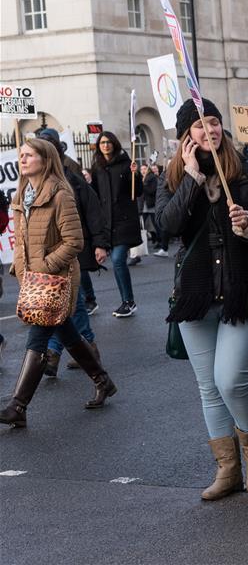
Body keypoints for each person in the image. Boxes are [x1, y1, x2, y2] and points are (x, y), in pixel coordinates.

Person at [156, 98, 248, 500]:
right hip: (195, 293)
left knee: (230, 380)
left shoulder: (246, 171)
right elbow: (166, 227)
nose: (208, 130)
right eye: (199, 125)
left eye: (213, 122)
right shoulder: (173, 176)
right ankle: (227, 469)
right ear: (185, 136)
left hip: (243, 288)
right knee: (208, 387)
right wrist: (191, 179)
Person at [0, 139, 117, 429]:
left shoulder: (60, 194)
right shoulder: (22, 195)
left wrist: (46, 267)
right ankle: (102, 380)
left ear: (46, 159)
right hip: (33, 281)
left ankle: (18, 406)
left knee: (37, 338)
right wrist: (21, 270)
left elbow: (74, 242)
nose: (23, 160)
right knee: (66, 332)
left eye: (29, 155)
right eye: (22, 155)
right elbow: (22, 241)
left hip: (56, 280)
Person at [36, 133, 109, 377]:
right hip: (44, 257)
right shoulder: (34, 183)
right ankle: (82, 350)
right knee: (60, 306)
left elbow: (92, 211)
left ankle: (61, 352)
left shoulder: (70, 181)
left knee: (70, 303)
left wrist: (100, 244)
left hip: (65, 255)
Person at [90, 131, 142, 316]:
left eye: (108, 142)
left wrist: (136, 175)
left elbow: (138, 191)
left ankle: (129, 301)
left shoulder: (126, 164)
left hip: (124, 221)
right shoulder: (97, 167)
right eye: (102, 142)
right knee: (117, 263)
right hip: (107, 223)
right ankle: (126, 301)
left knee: (118, 259)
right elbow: (94, 195)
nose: (105, 145)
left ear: (114, 144)